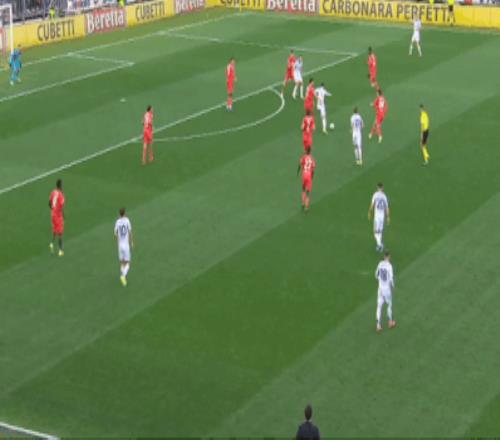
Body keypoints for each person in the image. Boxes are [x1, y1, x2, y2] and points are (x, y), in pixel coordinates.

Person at [375, 251, 396, 333]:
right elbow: (391, 279)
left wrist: (380, 280)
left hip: (380, 288)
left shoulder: (380, 263)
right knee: (389, 304)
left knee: (379, 306)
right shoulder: (389, 266)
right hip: (386, 289)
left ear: (384, 257)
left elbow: (376, 275)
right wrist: (393, 286)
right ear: (389, 257)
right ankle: (390, 322)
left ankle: (378, 325)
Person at [368, 182, 390, 253]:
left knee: (375, 232)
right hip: (382, 216)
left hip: (377, 216)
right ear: (382, 188)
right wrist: (388, 217)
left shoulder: (375, 195)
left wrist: (369, 212)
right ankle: (379, 245)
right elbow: (387, 207)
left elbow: (372, 205)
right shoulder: (384, 196)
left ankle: (380, 245)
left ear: (377, 188)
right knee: (379, 231)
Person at [114, 208, 133, 287]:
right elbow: (130, 232)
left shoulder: (117, 222)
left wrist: (118, 242)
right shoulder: (127, 220)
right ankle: (123, 276)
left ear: (119, 214)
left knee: (122, 262)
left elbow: (115, 234)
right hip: (126, 245)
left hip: (120, 245)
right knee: (128, 262)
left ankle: (123, 279)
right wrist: (131, 242)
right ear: (124, 213)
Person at [49, 179, 65, 257]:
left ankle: (51, 243)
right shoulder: (61, 195)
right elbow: (61, 207)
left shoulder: (53, 192)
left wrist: (53, 210)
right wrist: (63, 216)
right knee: (60, 233)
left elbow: (49, 203)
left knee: (55, 229)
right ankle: (60, 250)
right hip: (58, 215)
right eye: (62, 184)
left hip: (52, 214)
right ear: (60, 185)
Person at [297, 148, 316, 212]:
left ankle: (302, 203)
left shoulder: (304, 157)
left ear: (306, 151)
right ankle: (306, 208)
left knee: (303, 189)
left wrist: (298, 171)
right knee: (308, 193)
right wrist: (312, 177)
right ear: (310, 151)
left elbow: (300, 164)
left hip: (304, 174)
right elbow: (313, 170)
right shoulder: (312, 159)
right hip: (309, 175)